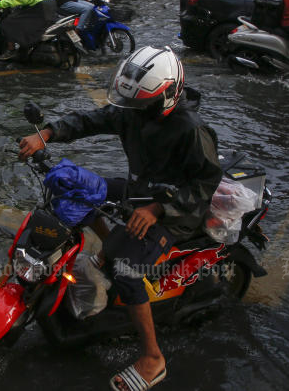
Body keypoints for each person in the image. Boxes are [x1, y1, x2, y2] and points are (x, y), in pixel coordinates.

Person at [18, 46, 223, 391]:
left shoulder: (191, 130)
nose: (133, 112)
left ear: (167, 96)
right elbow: (92, 120)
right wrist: (47, 134)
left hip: (176, 214)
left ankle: (153, 357)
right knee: (75, 190)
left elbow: (205, 183)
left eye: (143, 105)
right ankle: (102, 257)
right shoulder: (135, 111)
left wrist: (158, 209)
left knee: (127, 272)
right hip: (139, 192)